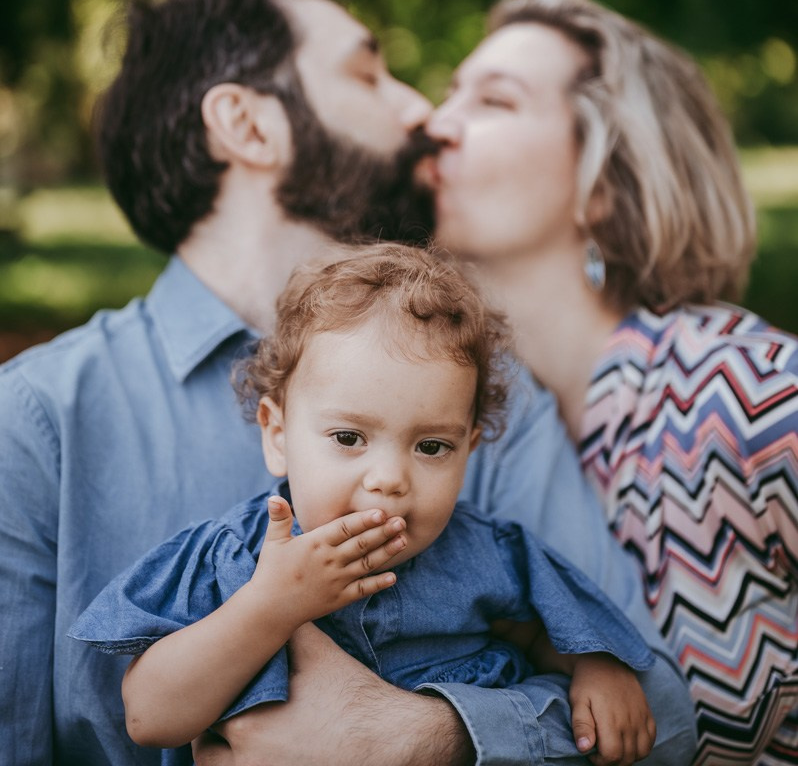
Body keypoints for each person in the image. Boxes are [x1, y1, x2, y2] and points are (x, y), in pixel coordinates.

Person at [0, 0, 696, 766]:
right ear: (247, 124)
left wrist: (428, 738)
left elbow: (665, 719)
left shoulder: (476, 388)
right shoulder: (35, 424)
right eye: (369, 72)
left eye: (431, 448)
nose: (421, 111)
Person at [72, 244, 658, 766]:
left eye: (432, 447)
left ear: (470, 448)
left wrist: (594, 667)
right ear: (277, 434)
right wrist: (269, 606)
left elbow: (535, 633)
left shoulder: (489, 554)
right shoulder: (237, 559)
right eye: (349, 438)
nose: (389, 479)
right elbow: (150, 718)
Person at [422, 0, 798, 766]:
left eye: (493, 100)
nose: (434, 125)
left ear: (603, 181)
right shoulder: (433, 435)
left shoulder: (746, 393)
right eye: (448, 94)